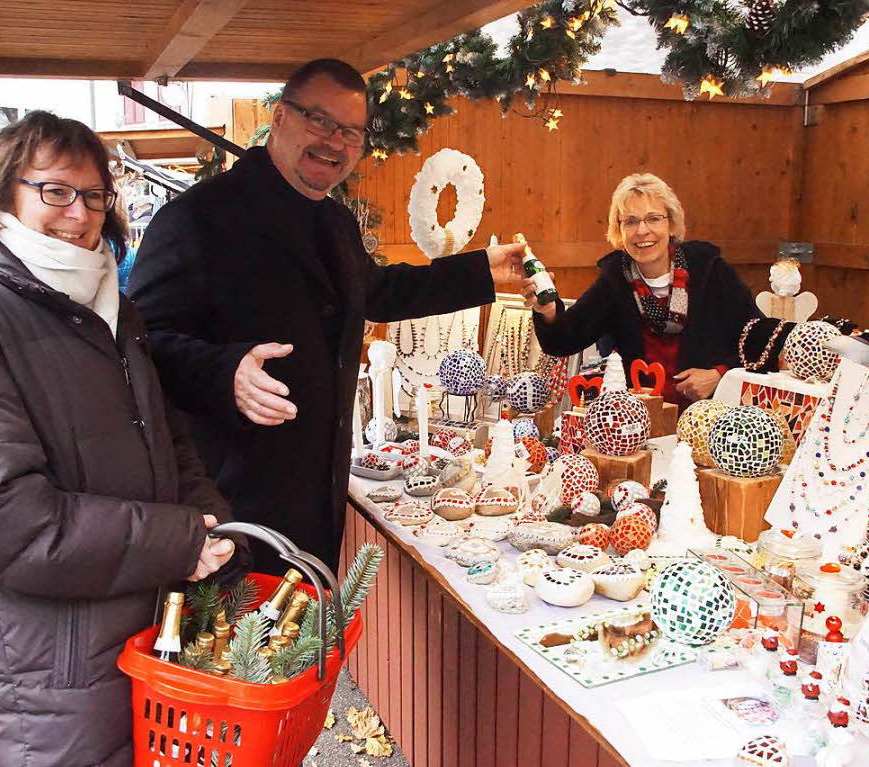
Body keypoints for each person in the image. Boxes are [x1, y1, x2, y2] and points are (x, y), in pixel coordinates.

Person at [128, 59, 525, 573]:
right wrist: (223, 372)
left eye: (351, 132)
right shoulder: (198, 218)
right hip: (228, 511)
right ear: (281, 117)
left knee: (310, 650)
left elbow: (377, 292)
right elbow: (142, 342)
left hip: (316, 504)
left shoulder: (335, 220)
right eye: (320, 121)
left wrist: (480, 274)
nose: (334, 142)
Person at [0, 111, 249, 767]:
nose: (80, 213)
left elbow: (168, 441)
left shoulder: (110, 308)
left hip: (145, 642)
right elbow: (2, 516)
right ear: (5, 189)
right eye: (55, 191)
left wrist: (215, 524)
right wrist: (181, 540)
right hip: (50, 681)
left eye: (94, 194)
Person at [525, 172, 761, 406]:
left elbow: (760, 337)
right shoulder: (614, 280)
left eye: (653, 218)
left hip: (708, 418)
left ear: (671, 224)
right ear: (620, 231)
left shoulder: (709, 270)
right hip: (641, 425)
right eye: (631, 221)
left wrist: (719, 374)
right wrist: (547, 311)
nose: (642, 231)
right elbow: (563, 340)